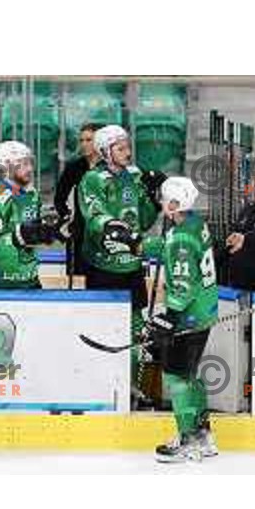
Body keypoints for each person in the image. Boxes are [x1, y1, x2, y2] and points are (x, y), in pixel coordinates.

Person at [77, 125, 165, 400]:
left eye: (128, 146)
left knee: (137, 328)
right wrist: (114, 229)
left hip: (132, 267)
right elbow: (94, 218)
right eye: (120, 148)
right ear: (106, 151)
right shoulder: (93, 179)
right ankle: (100, 384)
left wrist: (154, 199)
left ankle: (130, 383)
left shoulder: (135, 176)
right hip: (102, 267)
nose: (127, 152)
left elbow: (145, 220)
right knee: (102, 328)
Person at [144, 177, 219, 463]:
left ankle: (187, 440)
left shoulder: (181, 239)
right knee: (189, 376)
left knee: (175, 377)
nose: (161, 203)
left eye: (165, 200)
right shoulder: (195, 223)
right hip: (204, 313)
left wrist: (169, 318)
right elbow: (167, 246)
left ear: (174, 204)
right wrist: (139, 245)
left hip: (188, 317)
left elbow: (183, 285)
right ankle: (203, 436)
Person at [0, 140, 60, 289]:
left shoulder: (32, 194)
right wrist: (20, 236)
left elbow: (34, 233)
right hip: (0, 283)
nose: (29, 168)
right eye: (22, 164)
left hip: (30, 279)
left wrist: (49, 232)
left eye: (30, 163)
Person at [54, 123, 101, 276]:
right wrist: (68, 219)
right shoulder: (73, 167)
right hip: (79, 235)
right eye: (81, 140)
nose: (84, 144)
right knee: (78, 279)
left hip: (105, 234)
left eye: (89, 140)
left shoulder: (111, 167)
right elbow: (59, 199)